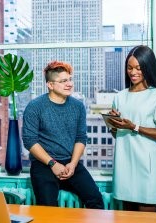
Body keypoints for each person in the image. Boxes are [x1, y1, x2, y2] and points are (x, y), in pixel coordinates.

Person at [22, 61, 104, 209]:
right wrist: (53, 163)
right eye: (63, 81)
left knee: (96, 200)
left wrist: (73, 164)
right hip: (44, 164)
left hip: (70, 163)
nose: (69, 84)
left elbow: (81, 138)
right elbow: (29, 141)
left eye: (70, 79)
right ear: (50, 85)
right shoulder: (35, 107)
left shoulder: (78, 106)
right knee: (47, 210)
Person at [107, 45, 156, 212]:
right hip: (125, 165)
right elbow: (117, 134)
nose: (133, 72)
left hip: (147, 169)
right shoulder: (120, 97)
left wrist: (134, 126)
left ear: (148, 68)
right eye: (130, 67)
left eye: (139, 67)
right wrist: (113, 124)